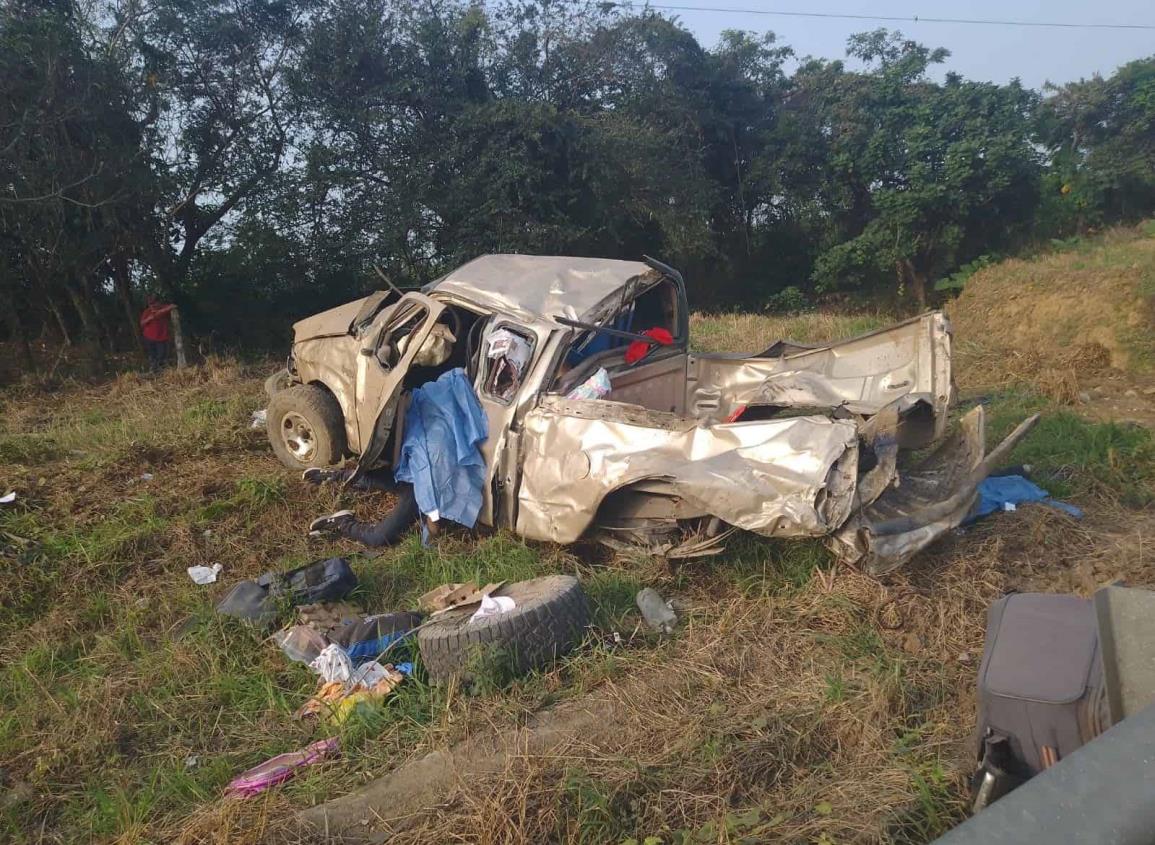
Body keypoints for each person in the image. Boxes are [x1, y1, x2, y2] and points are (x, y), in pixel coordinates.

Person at [140, 296, 176, 372]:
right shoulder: (147, 311)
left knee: (162, 355)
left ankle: (161, 371)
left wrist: (160, 312)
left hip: (162, 337)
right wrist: (149, 319)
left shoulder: (163, 307)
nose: (152, 305)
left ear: (158, 302)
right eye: (150, 304)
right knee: (152, 356)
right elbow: (142, 323)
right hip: (149, 337)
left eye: (154, 303)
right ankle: (153, 370)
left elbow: (173, 306)